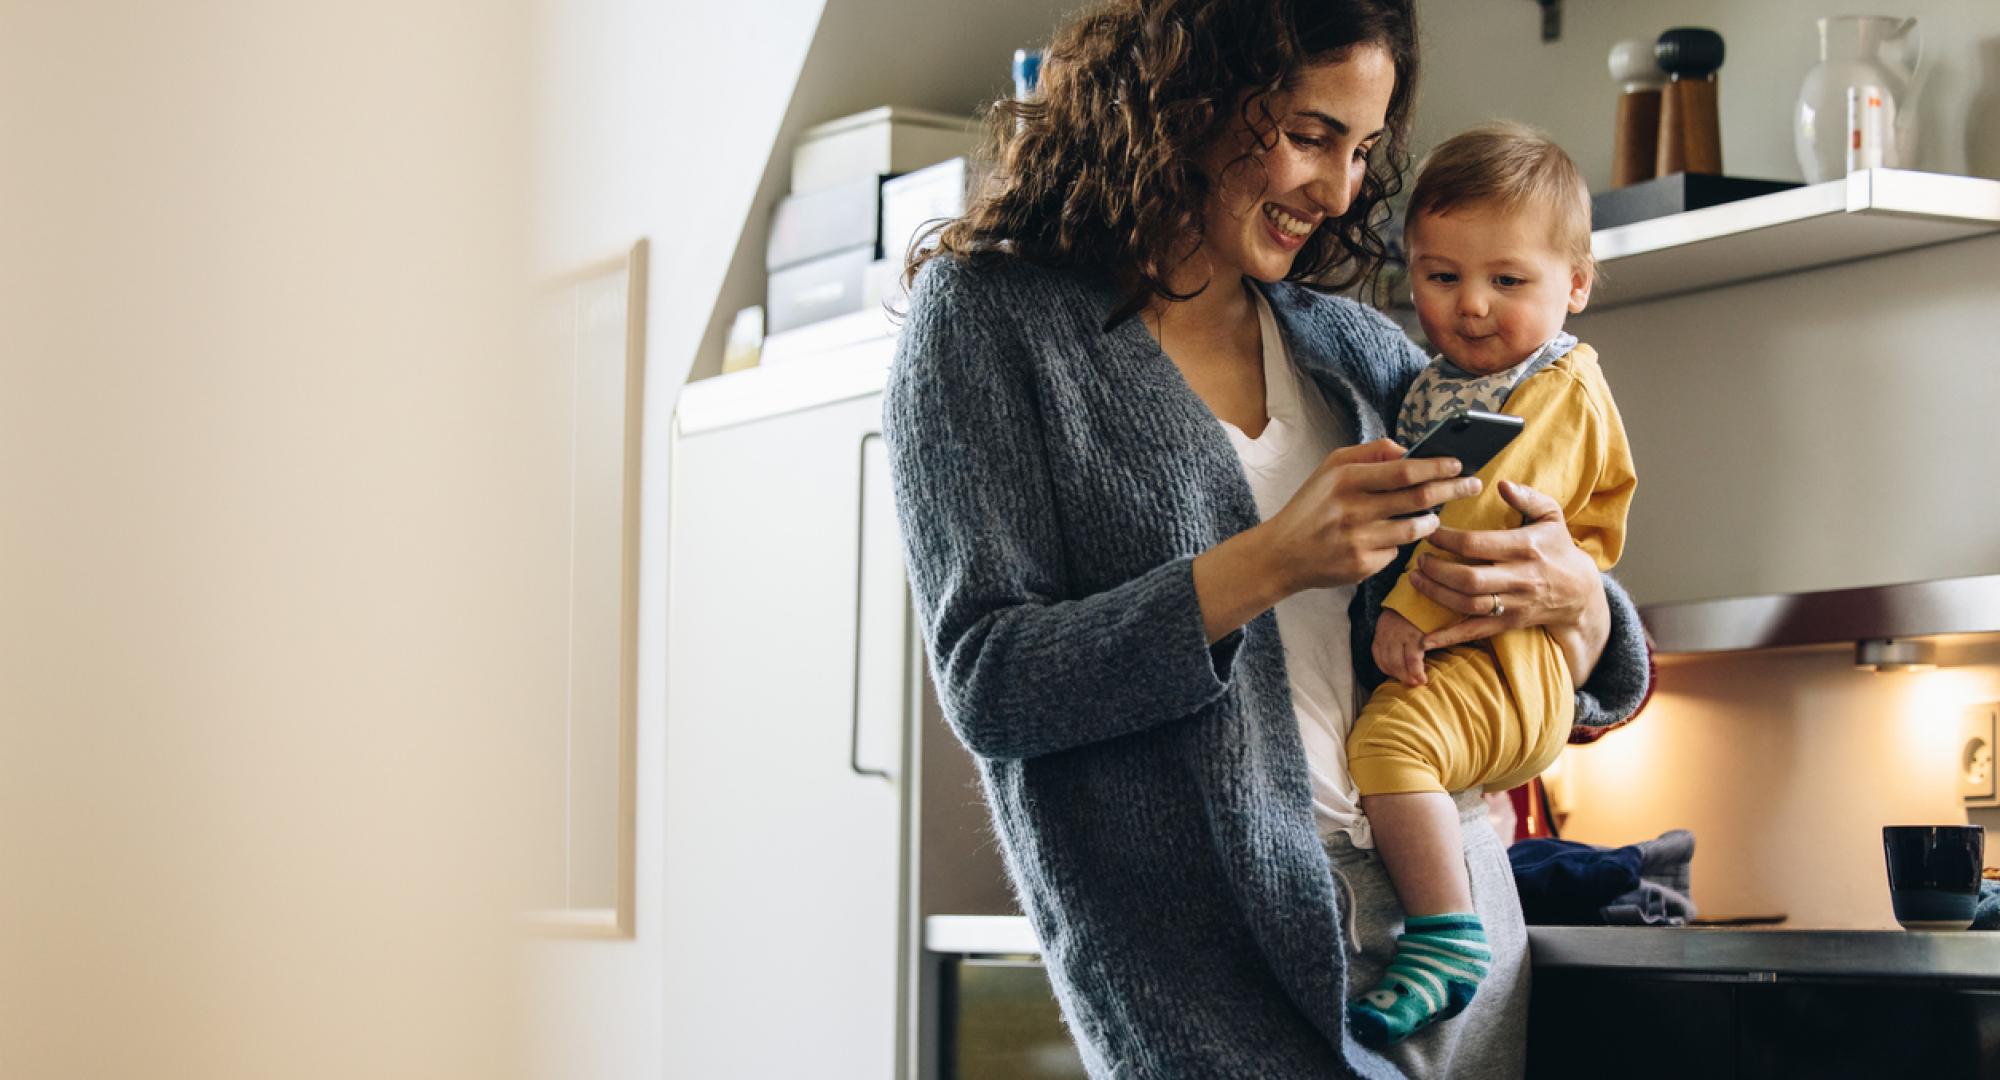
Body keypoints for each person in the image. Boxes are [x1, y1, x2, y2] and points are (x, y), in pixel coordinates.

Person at [882, 1, 1651, 1075]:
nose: (1339, 191)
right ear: (1179, 103)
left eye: (1361, 149)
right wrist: (1267, 562)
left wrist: (1571, 596)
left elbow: (1588, 662)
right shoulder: (990, 320)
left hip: (1452, 913)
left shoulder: (1350, 345)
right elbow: (991, 681)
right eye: (1306, 135)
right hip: (1207, 968)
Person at [1343, 122, 1637, 1048]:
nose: (1470, 306)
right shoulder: (1439, 379)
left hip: (1502, 654)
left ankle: (1444, 933)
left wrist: (1405, 615)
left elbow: (1484, 516)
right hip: (1498, 654)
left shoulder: (1556, 387)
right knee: (1394, 747)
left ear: (1576, 285)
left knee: (1390, 748)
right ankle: (1447, 925)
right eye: (1440, 277)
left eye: (1508, 281)